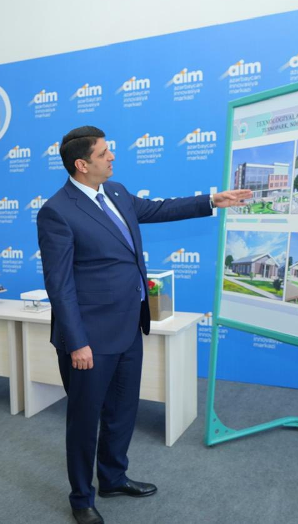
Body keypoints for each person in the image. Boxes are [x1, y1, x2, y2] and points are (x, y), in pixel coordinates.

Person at [37, 126, 251, 524]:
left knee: (122, 411)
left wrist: (212, 200)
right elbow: (59, 285)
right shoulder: (57, 211)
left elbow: (159, 210)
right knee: (84, 421)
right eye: (104, 153)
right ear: (82, 164)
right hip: (89, 339)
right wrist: (77, 342)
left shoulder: (116, 192)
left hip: (128, 327)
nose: (112, 157)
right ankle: (81, 499)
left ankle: (113, 478)